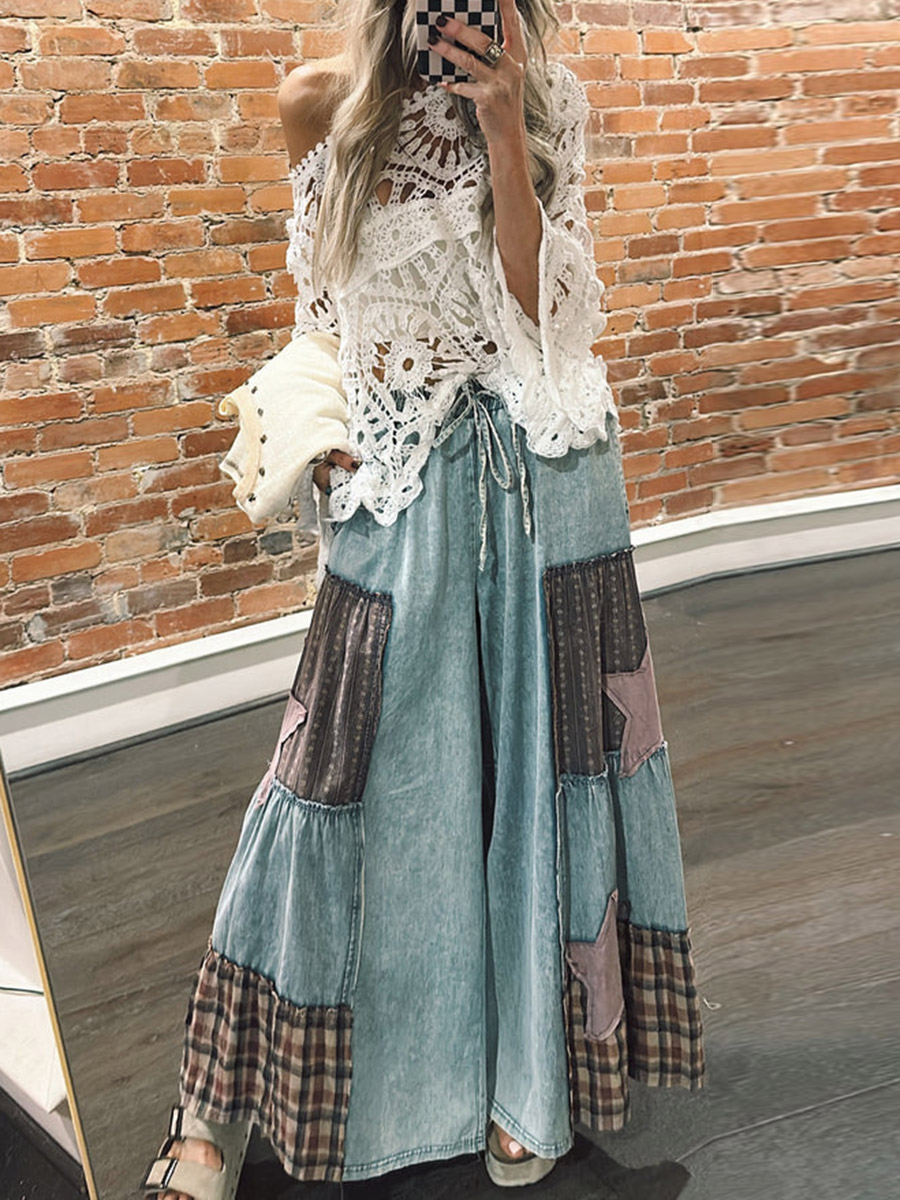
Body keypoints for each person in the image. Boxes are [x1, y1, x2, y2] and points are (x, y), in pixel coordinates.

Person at [141, 0, 707, 1195]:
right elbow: (325, 315)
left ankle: (527, 1081)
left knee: (544, 784)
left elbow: (545, 318)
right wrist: (330, 435)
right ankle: (211, 1107)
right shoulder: (320, 103)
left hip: (552, 490)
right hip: (404, 490)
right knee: (326, 780)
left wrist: (504, 132)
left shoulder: (544, 103)